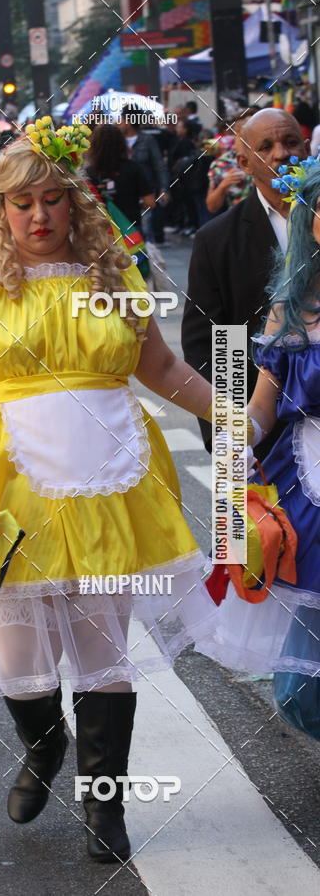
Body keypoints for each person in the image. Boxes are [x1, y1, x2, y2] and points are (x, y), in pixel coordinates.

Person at [0, 127, 223, 864]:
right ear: (0, 211)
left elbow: (166, 371)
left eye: (53, 199)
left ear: (75, 205)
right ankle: (44, 749)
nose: (40, 215)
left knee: (103, 655)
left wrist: (233, 411)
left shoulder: (116, 279)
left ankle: (104, 807)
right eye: (23, 203)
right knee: (20, 658)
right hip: (8, 485)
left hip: (114, 482)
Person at [199, 156, 320, 741]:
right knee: (301, 691)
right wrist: (235, 440)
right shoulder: (291, 308)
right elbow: (261, 404)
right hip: (305, 488)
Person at [182, 108, 309, 457]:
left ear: (307, 147)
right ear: (244, 162)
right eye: (265, 147)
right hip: (265, 432)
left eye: (290, 141)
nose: (281, 153)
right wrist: (232, 436)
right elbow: (214, 346)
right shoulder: (217, 240)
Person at [86, 124, 154, 234]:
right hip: (131, 229)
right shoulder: (134, 168)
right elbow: (150, 202)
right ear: (121, 143)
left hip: (101, 232)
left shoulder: (89, 173)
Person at [119, 106, 169, 246]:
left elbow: (159, 166)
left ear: (128, 121)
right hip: (124, 194)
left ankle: (145, 259)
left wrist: (164, 189)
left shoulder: (148, 140)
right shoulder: (117, 140)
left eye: (122, 119)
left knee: (144, 229)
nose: (119, 123)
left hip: (144, 193)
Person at [205, 111, 257, 215]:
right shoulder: (222, 163)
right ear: (237, 132)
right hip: (241, 224)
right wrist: (224, 185)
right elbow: (211, 206)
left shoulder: (271, 158)